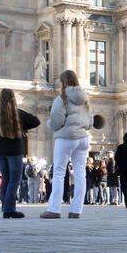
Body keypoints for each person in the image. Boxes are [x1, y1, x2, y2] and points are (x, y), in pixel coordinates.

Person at [42, 70, 94, 219]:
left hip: (66, 137)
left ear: (63, 82)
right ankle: (76, 210)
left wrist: (49, 124)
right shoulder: (86, 100)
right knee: (80, 174)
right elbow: (90, 123)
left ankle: (54, 209)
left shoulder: (62, 99)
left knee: (59, 173)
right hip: (83, 138)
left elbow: (57, 121)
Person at [0, 88, 40, 218]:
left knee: (6, 180)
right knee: (14, 181)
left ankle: (5, 208)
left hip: (0, 151)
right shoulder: (18, 113)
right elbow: (36, 121)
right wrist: (21, 127)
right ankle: (9, 209)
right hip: (15, 151)